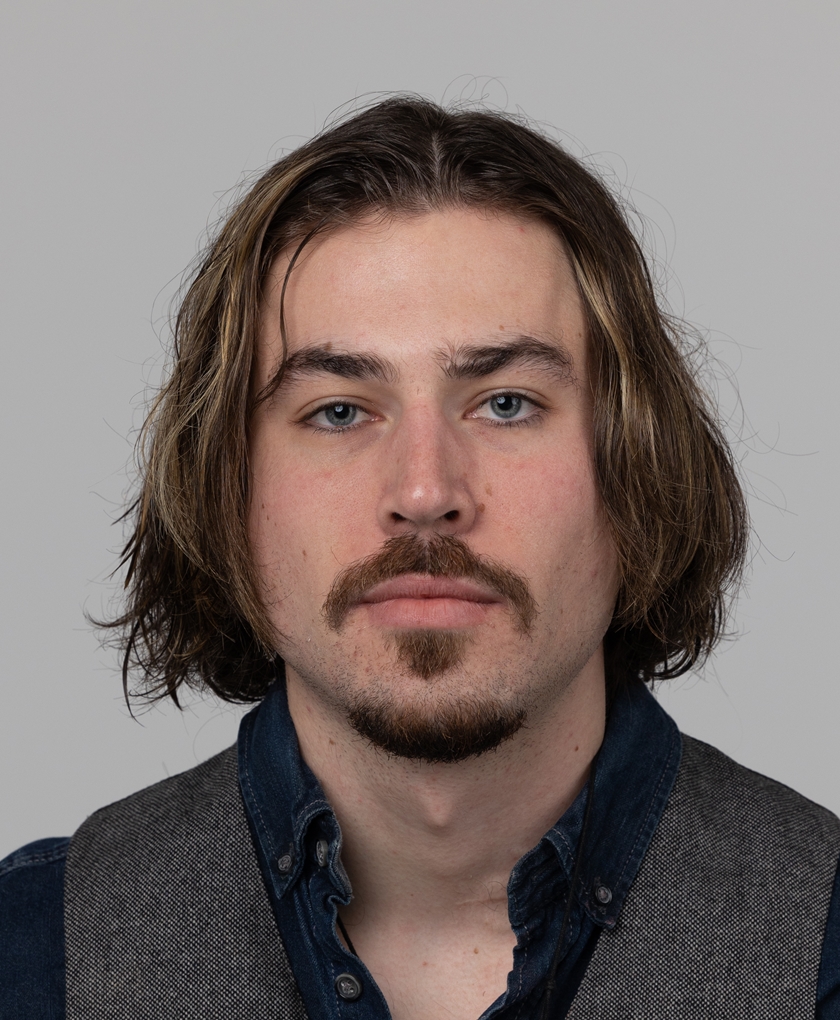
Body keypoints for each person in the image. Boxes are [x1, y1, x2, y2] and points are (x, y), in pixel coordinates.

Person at [2, 96, 838, 1019]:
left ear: (637, 465)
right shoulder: (28, 962)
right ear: (227, 490)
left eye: (507, 403)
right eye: (339, 411)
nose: (426, 489)